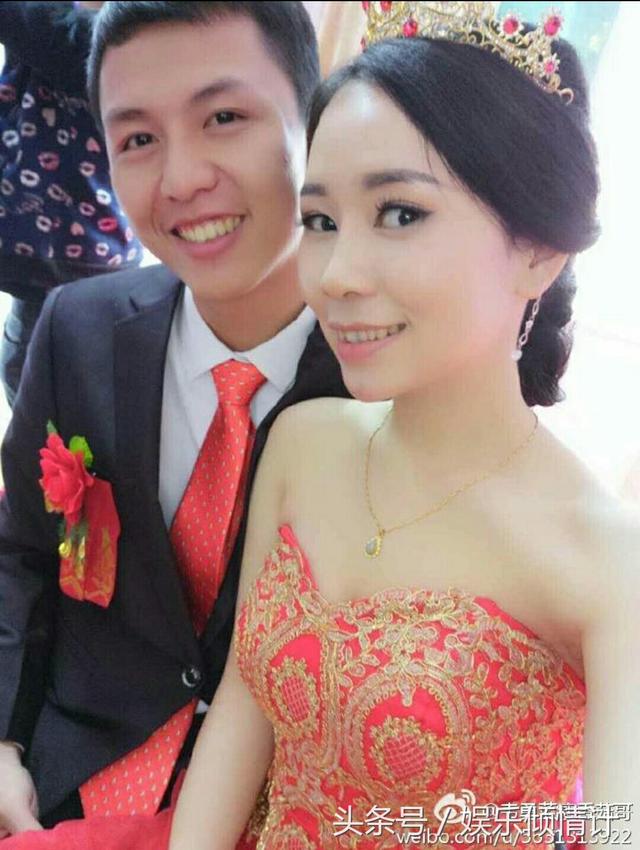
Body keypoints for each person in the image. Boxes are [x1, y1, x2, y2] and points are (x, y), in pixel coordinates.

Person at [4, 3, 639, 850]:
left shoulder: (606, 561)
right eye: (322, 222)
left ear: (539, 250)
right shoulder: (305, 441)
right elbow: (240, 700)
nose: (337, 275)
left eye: (401, 214)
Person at [0, 0, 346, 840]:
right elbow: (22, 553)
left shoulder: (378, 379)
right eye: (138, 139)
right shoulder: (77, 328)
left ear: (313, 122)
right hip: (59, 775)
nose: (182, 179)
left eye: (223, 118)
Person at [0, 1, 143, 407]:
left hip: (79, 252)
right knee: (33, 367)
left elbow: (58, 37)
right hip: (61, 249)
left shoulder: (109, 37)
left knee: (51, 381)